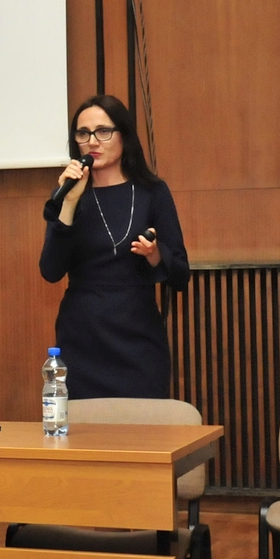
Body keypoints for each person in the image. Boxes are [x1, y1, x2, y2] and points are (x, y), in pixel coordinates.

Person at [38, 94, 189, 399]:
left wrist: (154, 254)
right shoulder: (67, 195)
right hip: (82, 337)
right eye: (83, 133)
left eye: (103, 131)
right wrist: (69, 203)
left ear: (124, 135)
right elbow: (50, 271)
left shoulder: (152, 192)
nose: (92, 141)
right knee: (85, 426)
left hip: (137, 336)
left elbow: (181, 275)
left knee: (143, 423)